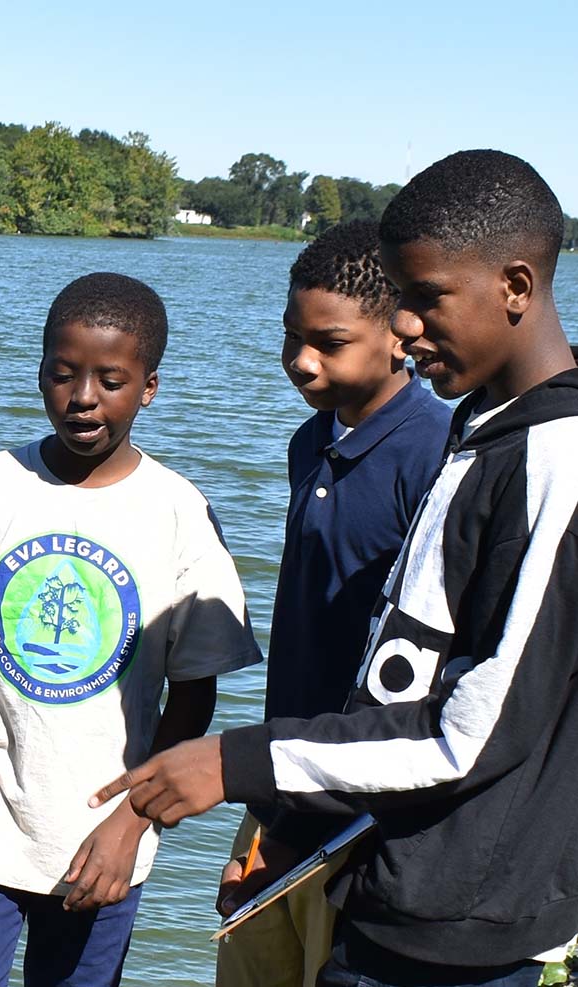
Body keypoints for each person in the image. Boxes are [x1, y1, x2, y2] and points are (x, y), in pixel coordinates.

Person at [91, 150, 578, 986]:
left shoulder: (553, 462)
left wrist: (240, 760)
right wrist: (280, 811)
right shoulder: (482, 434)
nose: (409, 326)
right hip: (379, 866)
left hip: (464, 920)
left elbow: (476, 731)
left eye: (425, 299)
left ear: (517, 286)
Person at [0, 272, 262, 987]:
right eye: (64, 374)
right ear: (41, 372)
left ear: (149, 387)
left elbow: (191, 701)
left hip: (102, 833)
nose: (83, 397)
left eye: (111, 379)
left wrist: (135, 821)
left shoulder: (177, 513)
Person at [215, 220, 451, 987]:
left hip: (359, 810)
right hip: (282, 776)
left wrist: (300, 824)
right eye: (291, 336)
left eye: (330, 341)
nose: (302, 362)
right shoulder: (309, 441)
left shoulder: (436, 460)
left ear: (398, 335)